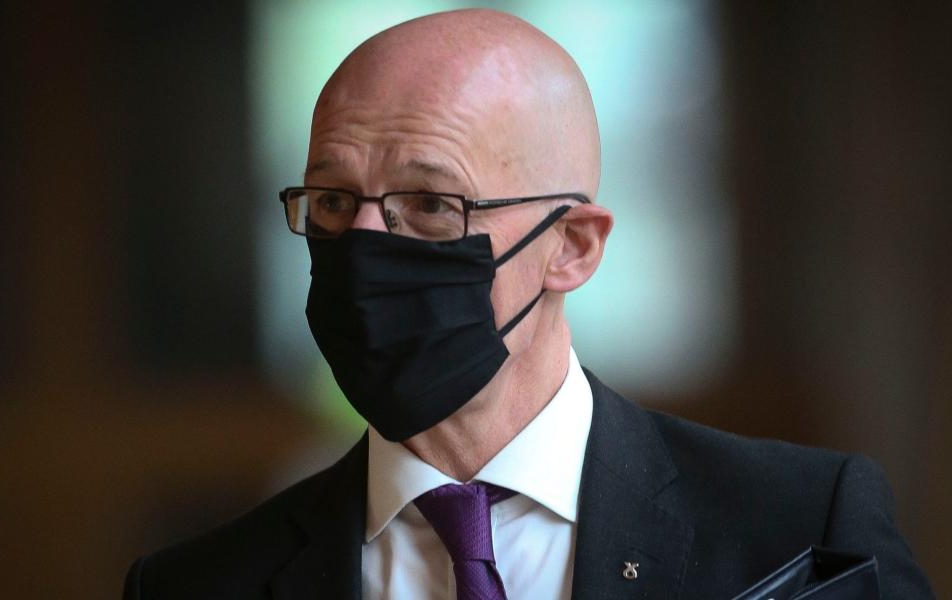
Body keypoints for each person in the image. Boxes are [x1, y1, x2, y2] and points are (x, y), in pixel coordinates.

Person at [123, 9, 933, 599]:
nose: (365, 244)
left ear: (572, 247)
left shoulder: (802, 529)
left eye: (432, 205)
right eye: (334, 203)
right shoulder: (197, 586)